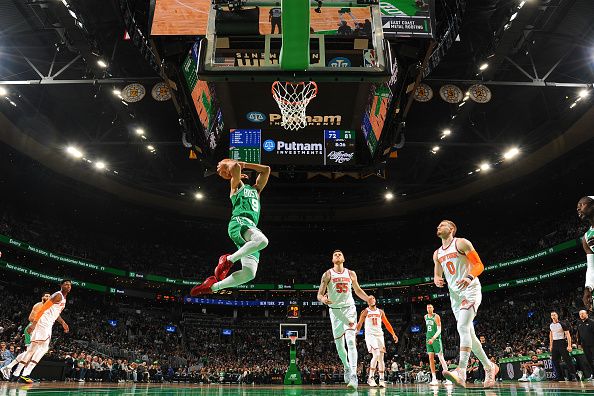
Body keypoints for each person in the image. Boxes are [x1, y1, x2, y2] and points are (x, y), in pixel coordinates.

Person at [433, 220, 498, 388]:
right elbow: (437, 272)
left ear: (452, 229)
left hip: (470, 289)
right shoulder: (437, 253)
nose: (439, 227)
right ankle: (489, 367)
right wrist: (436, 279)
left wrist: (469, 277)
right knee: (470, 334)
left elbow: (479, 265)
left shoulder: (461, 243)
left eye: (443, 224)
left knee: (462, 327)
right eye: (438, 225)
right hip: (455, 296)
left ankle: (461, 371)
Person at [191, 160, 270, 295]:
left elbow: (266, 169)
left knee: (249, 274)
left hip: (250, 229)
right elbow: (235, 166)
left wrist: (244, 166)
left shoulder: (256, 190)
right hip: (239, 222)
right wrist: (230, 167)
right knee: (263, 241)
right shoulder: (236, 186)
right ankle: (228, 260)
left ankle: (212, 287)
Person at [317, 249, 371, 390]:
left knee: (351, 341)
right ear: (332, 259)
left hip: (349, 309)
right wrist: (323, 298)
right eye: (335, 254)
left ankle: (353, 375)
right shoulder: (327, 274)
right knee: (340, 348)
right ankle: (346, 366)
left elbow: (358, 290)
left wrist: (367, 298)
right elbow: (319, 294)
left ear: (344, 258)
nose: (337, 255)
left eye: (340, 254)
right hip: (335, 312)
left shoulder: (351, 273)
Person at [18, 280, 71, 383]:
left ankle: (20, 374)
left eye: (70, 285)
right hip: (44, 324)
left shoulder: (63, 298)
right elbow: (42, 309)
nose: (68, 286)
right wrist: (33, 324)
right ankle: (26, 373)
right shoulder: (57, 295)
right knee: (43, 348)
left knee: (33, 349)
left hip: (47, 324)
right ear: (61, 285)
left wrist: (63, 322)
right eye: (66, 284)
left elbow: (55, 313)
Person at [1, 292, 51, 380]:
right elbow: (30, 318)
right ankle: (10, 368)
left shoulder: (49, 308)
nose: (48, 297)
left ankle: (15, 371)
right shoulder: (38, 305)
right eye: (46, 296)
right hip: (32, 329)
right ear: (42, 297)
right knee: (30, 353)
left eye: (49, 296)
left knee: (31, 354)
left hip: (39, 330)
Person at [356, 295, 398, 387]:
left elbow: (387, 323)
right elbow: (360, 323)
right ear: (368, 302)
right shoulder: (365, 311)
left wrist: (393, 334)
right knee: (376, 354)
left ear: (375, 300)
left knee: (381, 358)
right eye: (369, 299)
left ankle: (381, 379)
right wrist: (355, 333)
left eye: (373, 298)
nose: (371, 300)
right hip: (370, 335)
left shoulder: (380, 312)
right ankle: (370, 378)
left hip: (379, 335)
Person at [424, 303, 450, 385]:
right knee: (430, 358)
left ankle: (448, 378)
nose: (429, 309)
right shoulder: (425, 317)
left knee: (441, 358)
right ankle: (434, 379)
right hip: (428, 339)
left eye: (430, 307)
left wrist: (433, 338)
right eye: (428, 308)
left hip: (436, 339)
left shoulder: (436, 316)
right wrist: (430, 339)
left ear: (433, 308)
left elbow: (439, 330)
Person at [549, 311, 577, 381]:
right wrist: (551, 345)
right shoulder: (551, 325)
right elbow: (551, 335)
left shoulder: (562, 324)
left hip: (562, 342)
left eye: (554, 315)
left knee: (567, 359)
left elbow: (568, 335)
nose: (553, 316)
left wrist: (569, 345)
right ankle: (560, 377)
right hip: (555, 343)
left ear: (557, 315)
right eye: (552, 315)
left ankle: (573, 376)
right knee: (555, 360)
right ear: (551, 317)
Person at [576, 196, 594, 310]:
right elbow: (591, 267)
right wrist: (588, 288)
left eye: (581, 205)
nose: (578, 209)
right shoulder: (586, 238)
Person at [576, 309, 594, 379]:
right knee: (589, 360)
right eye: (580, 314)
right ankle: (592, 374)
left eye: (583, 314)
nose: (581, 315)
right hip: (585, 345)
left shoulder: (592, 322)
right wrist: (579, 344)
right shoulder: (579, 323)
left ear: (587, 314)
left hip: (593, 344)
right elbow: (579, 335)